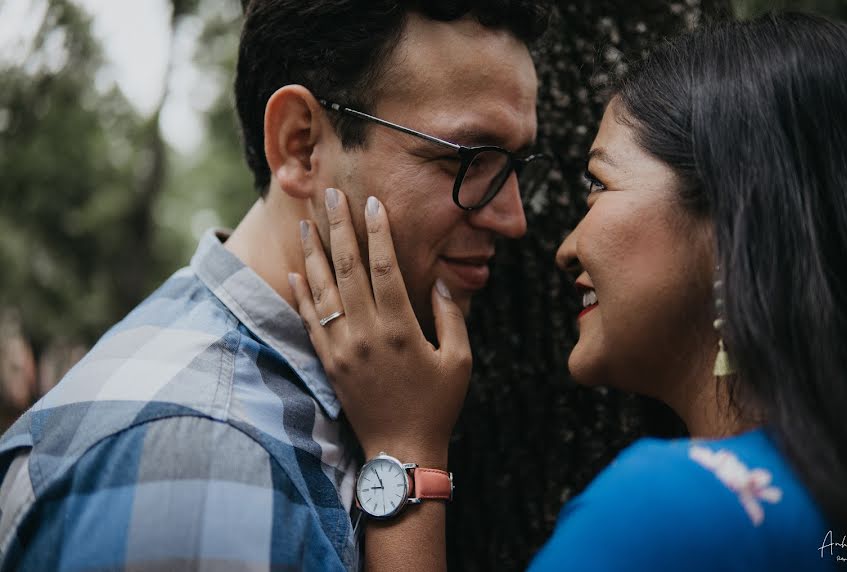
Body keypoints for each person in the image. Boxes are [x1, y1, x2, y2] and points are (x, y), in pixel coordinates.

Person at [289, 11, 847, 571]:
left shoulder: (667, 513)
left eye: (599, 184)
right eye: (466, 161)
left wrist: (406, 453)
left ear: (735, 221)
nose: (560, 243)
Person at [0, 1, 550, 570]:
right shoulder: (200, 463)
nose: (513, 219)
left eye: (516, 164)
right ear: (301, 144)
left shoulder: (352, 391)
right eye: (469, 160)